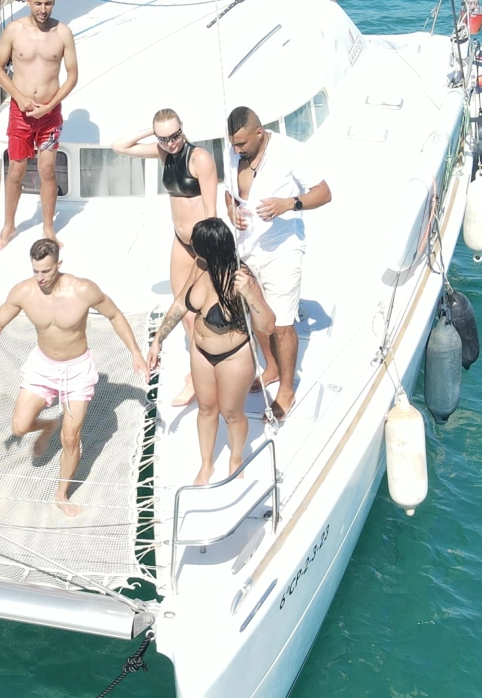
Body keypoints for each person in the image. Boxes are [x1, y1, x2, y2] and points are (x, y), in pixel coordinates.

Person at [0, 238, 149, 516]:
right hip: (43, 367)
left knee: (71, 437)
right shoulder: (24, 292)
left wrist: (135, 352)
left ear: (58, 264)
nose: (41, 278)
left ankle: (61, 494)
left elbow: (115, 315)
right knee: (20, 427)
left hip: (77, 370)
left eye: (46, 271)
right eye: (36, 271)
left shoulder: (82, 289)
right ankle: (48, 426)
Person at [146, 219, 275, 486]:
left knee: (231, 413)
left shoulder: (242, 278)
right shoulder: (200, 266)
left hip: (234, 355)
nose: (192, 250)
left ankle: (236, 459)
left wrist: (250, 295)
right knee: (206, 408)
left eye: (196, 247)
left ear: (210, 250)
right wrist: (159, 338)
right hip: (200, 350)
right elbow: (182, 302)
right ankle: (206, 464)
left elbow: (268, 325)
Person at [225, 105, 331, 419]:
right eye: (233, 144)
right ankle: (270, 367)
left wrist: (289, 203)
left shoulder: (290, 153)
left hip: (281, 250)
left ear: (259, 133)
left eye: (242, 143)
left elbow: (324, 193)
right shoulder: (233, 152)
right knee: (257, 315)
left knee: (282, 324)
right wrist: (231, 210)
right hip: (246, 247)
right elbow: (230, 193)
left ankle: (287, 388)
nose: (236, 149)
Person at [109, 107, 221, 406]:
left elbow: (211, 211)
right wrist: (152, 133)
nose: (171, 143)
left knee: (199, 312)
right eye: (165, 138)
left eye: (175, 135)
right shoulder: (164, 154)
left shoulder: (199, 159)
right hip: (180, 241)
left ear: (183, 129)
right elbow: (119, 147)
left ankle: (204, 375)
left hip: (201, 245)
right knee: (183, 312)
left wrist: (209, 254)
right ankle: (199, 374)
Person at [0, 0, 79, 251]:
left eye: (48, 3)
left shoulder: (63, 33)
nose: (43, 9)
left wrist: (51, 105)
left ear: (55, 1)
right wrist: (18, 97)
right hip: (21, 113)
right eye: (38, 3)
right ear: (28, 1)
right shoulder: (14, 30)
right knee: (16, 169)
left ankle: (48, 228)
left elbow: (72, 76)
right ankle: (9, 224)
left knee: (47, 170)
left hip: (50, 114)